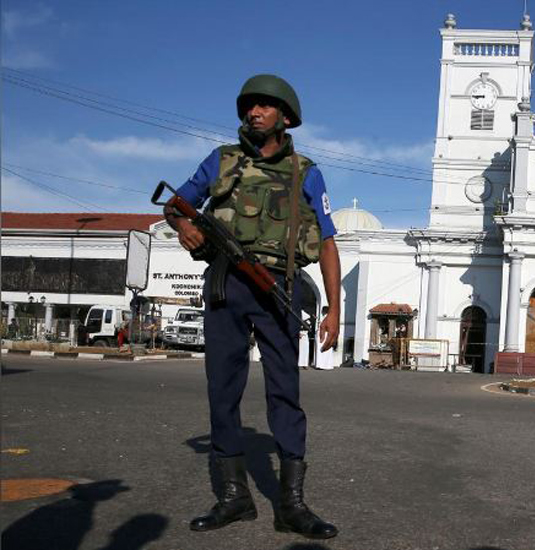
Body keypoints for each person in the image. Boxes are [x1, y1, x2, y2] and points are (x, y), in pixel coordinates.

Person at [163, 74, 341, 540]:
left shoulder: (306, 171)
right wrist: (184, 227)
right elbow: (177, 204)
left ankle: (292, 505)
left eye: (264, 107)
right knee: (223, 389)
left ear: (285, 117)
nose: (253, 113)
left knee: (285, 392)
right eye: (249, 107)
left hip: (278, 287)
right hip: (226, 284)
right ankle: (233, 498)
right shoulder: (221, 162)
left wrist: (335, 310)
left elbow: (326, 242)